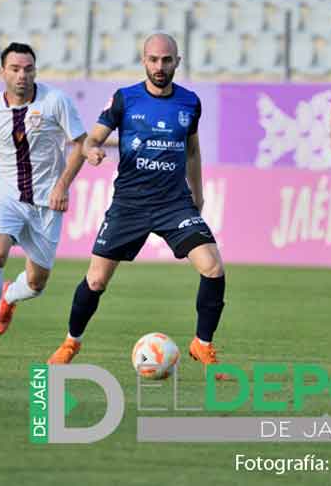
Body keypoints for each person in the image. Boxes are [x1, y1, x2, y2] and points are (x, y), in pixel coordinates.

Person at [45, 33, 229, 379]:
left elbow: (192, 151)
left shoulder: (190, 103)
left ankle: (202, 344)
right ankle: (71, 341)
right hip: (129, 204)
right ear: (144, 61)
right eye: (153, 60)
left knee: (213, 267)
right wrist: (92, 150)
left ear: (178, 61)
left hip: (175, 204)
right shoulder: (125, 98)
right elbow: (92, 139)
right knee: (97, 280)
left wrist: (198, 195)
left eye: (167, 60)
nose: (160, 67)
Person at [0, 43, 88, 358]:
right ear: (2, 72)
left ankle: (10, 296)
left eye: (28, 69)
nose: (22, 75)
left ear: (35, 71)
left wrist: (62, 186)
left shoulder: (56, 102)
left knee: (37, 283)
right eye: (15, 69)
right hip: (7, 198)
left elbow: (81, 144)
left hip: (47, 203)